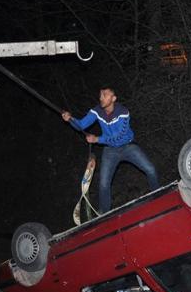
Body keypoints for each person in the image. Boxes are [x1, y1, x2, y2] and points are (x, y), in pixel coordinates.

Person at [62, 86, 159, 214]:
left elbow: (119, 136)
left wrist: (97, 139)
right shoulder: (96, 111)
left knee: (150, 169)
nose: (101, 97)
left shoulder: (123, 112)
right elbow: (81, 125)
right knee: (103, 183)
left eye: (105, 95)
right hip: (110, 151)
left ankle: (158, 195)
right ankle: (104, 213)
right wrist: (70, 119)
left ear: (113, 98)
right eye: (100, 95)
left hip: (128, 146)